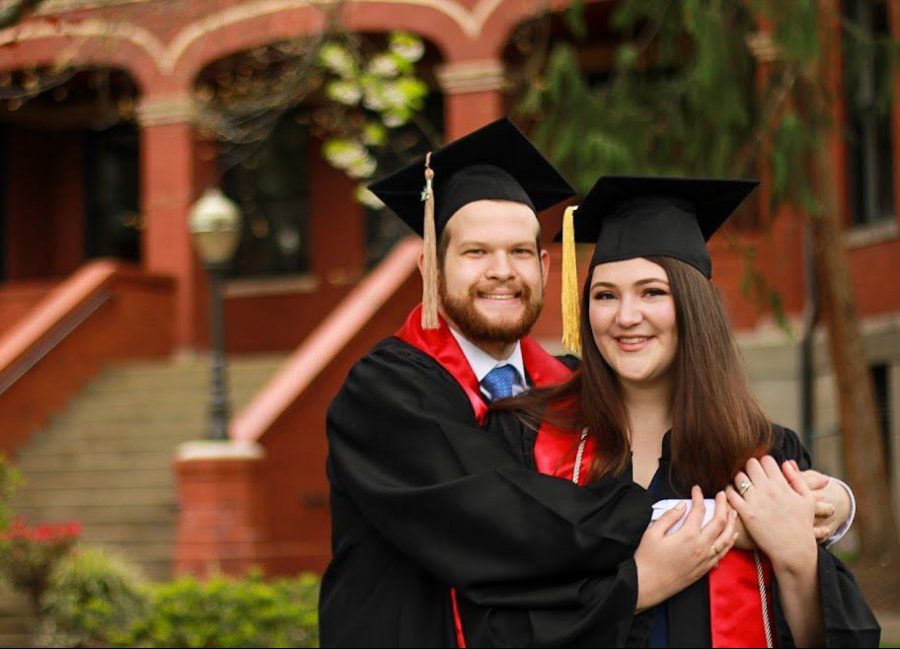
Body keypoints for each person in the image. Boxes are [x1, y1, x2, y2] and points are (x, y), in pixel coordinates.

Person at [318, 118, 858, 648]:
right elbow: (502, 516)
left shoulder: (564, 394)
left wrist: (827, 506)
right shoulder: (387, 392)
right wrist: (718, 521)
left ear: (546, 268)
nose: (502, 270)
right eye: (475, 252)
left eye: (520, 252)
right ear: (430, 269)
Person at [500, 174, 880, 647]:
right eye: (605, 295)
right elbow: (500, 620)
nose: (625, 316)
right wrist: (639, 582)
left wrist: (797, 560)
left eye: (652, 292)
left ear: (693, 306)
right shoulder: (534, 442)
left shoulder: (762, 453)